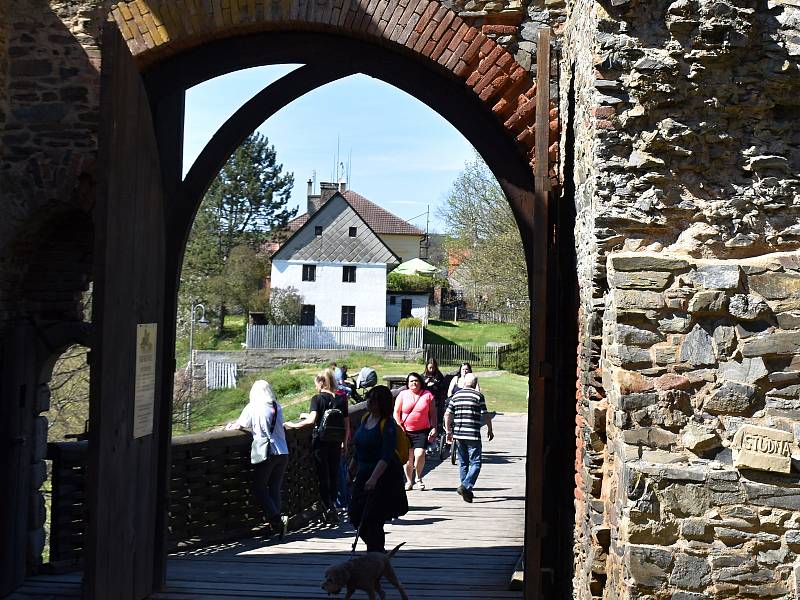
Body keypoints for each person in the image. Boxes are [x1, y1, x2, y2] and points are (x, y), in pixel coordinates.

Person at [226, 380, 289, 539]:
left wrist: (228, 427)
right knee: (274, 488)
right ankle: (277, 524)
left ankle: (276, 521)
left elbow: (240, 425)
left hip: (267, 453)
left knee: (259, 488)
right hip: (283, 452)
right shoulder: (276, 406)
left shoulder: (253, 407)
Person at [285, 369, 349, 524]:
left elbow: (312, 420)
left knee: (323, 475)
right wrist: (345, 443)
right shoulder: (341, 399)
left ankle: (327, 508)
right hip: (335, 442)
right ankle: (333, 504)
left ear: (321, 383)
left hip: (320, 442)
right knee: (333, 475)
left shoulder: (317, 399)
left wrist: (293, 424)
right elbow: (346, 424)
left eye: (316, 384)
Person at [349, 385, 408, 553]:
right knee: (355, 514)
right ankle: (378, 553)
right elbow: (358, 448)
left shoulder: (387, 424)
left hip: (382, 478)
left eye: (373, 400)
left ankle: (375, 555)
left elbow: (386, 455)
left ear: (382, 403)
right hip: (362, 474)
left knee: (373, 518)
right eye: (369, 398)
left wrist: (374, 479)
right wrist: (351, 470)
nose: (369, 402)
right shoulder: (365, 418)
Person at [444, 373, 494, 503]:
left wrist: (448, 430)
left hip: (459, 434)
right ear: (475, 383)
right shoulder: (478, 396)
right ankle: (465, 486)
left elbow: (448, 414)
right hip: (473, 434)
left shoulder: (456, 396)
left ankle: (465, 490)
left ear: (463, 383)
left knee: (463, 463)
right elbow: (485, 414)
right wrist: (490, 429)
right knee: (476, 463)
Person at [393, 372, 437, 491]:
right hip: (405, 431)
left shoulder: (427, 395)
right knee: (408, 458)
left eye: (416, 381)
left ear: (420, 382)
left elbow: (433, 413)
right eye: (411, 381)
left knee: (420, 454)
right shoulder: (402, 394)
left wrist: (434, 427)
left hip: (422, 430)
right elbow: (396, 412)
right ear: (408, 383)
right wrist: (399, 425)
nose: (414, 383)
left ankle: (418, 477)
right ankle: (409, 481)